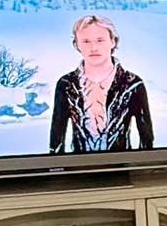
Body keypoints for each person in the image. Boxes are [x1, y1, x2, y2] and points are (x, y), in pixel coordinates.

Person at [49, 14, 154, 154]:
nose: (93, 47)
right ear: (77, 44)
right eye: (86, 41)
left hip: (123, 168)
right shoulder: (66, 84)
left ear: (113, 41)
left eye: (100, 40)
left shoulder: (132, 84)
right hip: (79, 170)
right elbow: (57, 136)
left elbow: (146, 139)